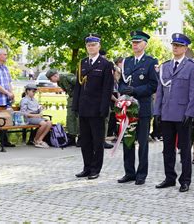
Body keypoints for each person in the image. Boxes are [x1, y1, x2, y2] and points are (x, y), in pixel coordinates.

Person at [153, 33, 194, 193]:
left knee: (185, 149)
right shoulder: (165, 66)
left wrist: (190, 113)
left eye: (179, 45)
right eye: (174, 45)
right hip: (166, 113)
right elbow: (160, 90)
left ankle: (185, 180)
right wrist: (157, 112)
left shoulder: (192, 65)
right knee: (167, 148)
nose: (175, 48)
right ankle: (169, 177)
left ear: (185, 48)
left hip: (182, 114)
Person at [117, 31, 158, 185]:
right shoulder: (127, 61)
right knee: (128, 142)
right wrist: (123, 90)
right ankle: (129, 172)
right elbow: (121, 81)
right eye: (133, 42)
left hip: (143, 108)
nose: (135, 45)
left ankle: (141, 174)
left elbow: (154, 85)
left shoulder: (150, 62)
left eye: (138, 42)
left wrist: (135, 91)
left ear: (145, 44)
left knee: (142, 143)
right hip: (127, 108)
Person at [72, 33, 114, 180]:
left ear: (99, 46)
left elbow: (107, 89)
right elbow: (78, 87)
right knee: (85, 141)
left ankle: (96, 169)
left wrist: (104, 108)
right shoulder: (82, 63)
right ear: (86, 47)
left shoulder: (106, 64)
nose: (91, 47)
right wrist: (75, 106)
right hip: (84, 108)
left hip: (97, 109)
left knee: (97, 141)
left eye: (94, 45)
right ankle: (87, 167)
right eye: (89, 45)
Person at [46, 68, 80, 146]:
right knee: (70, 118)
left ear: (55, 76)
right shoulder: (59, 82)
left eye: (51, 79)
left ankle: (81, 137)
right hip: (72, 99)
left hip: (79, 98)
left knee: (79, 118)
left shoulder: (67, 77)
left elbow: (79, 83)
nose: (51, 81)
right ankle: (72, 136)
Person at [20, 84, 52, 148]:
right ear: (27, 91)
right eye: (33, 91)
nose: (34, 93)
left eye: (35, 92)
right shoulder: (24, 100)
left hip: (37, 118)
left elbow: (37, 109)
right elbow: (23, 113)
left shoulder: (34, 100)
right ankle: (35, 140)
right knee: (44, 123)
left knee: (49, 123)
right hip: (29, 118)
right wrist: (36, 115)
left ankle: (40, 140)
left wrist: (40, 109)